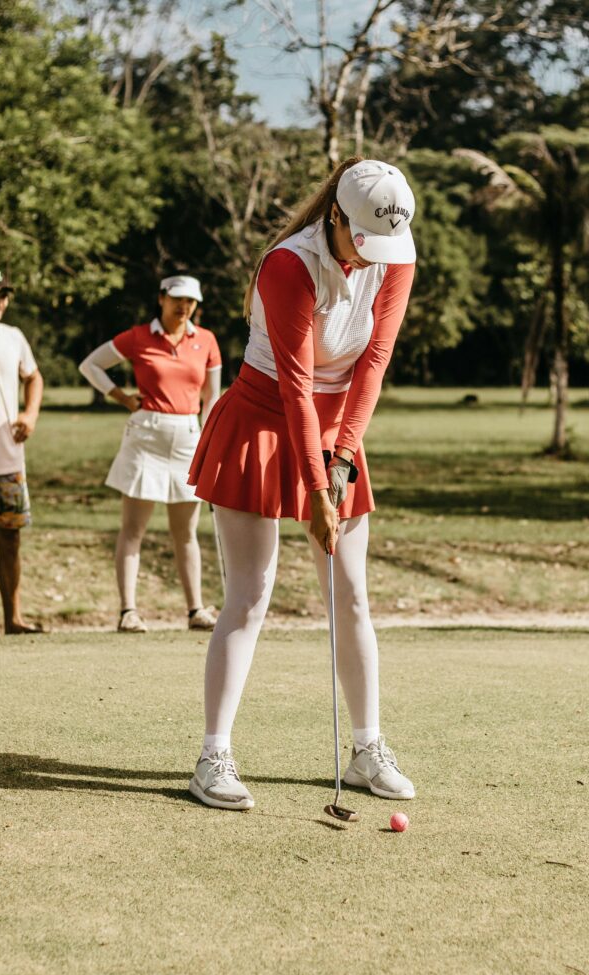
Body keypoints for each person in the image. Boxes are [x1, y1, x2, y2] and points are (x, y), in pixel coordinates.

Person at [186, 158, 417, 810]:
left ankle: (367, 745)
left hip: (337, 423)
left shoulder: (394, 251)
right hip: (261, 419)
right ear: (335, 217)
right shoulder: (288, 264)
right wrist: (316, 492)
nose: (370, 257)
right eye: (358, 241)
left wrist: (338, 461)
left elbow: (373, 362)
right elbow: (293, 383)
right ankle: (213, 755)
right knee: (249, 595)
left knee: (350, 594)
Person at [79, 275, 222, 633]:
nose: (183, 306)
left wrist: (211, 445)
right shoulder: (139, 336)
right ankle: (128, 611)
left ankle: (195, 610)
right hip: (146, 435)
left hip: (188, 436)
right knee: (133, 528)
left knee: (186, 531)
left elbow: (212, 399)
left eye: (190, 301)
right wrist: (123, 398)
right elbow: (90, 366)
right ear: (161, 298)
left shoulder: (205, 340)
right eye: (177, 299)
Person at [0, 267, 44, 634]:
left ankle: (13, 620)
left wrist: (31, 413)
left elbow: (33, 376)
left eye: (3, 295)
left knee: (10, 542)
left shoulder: (14, 337)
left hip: (8, 461)